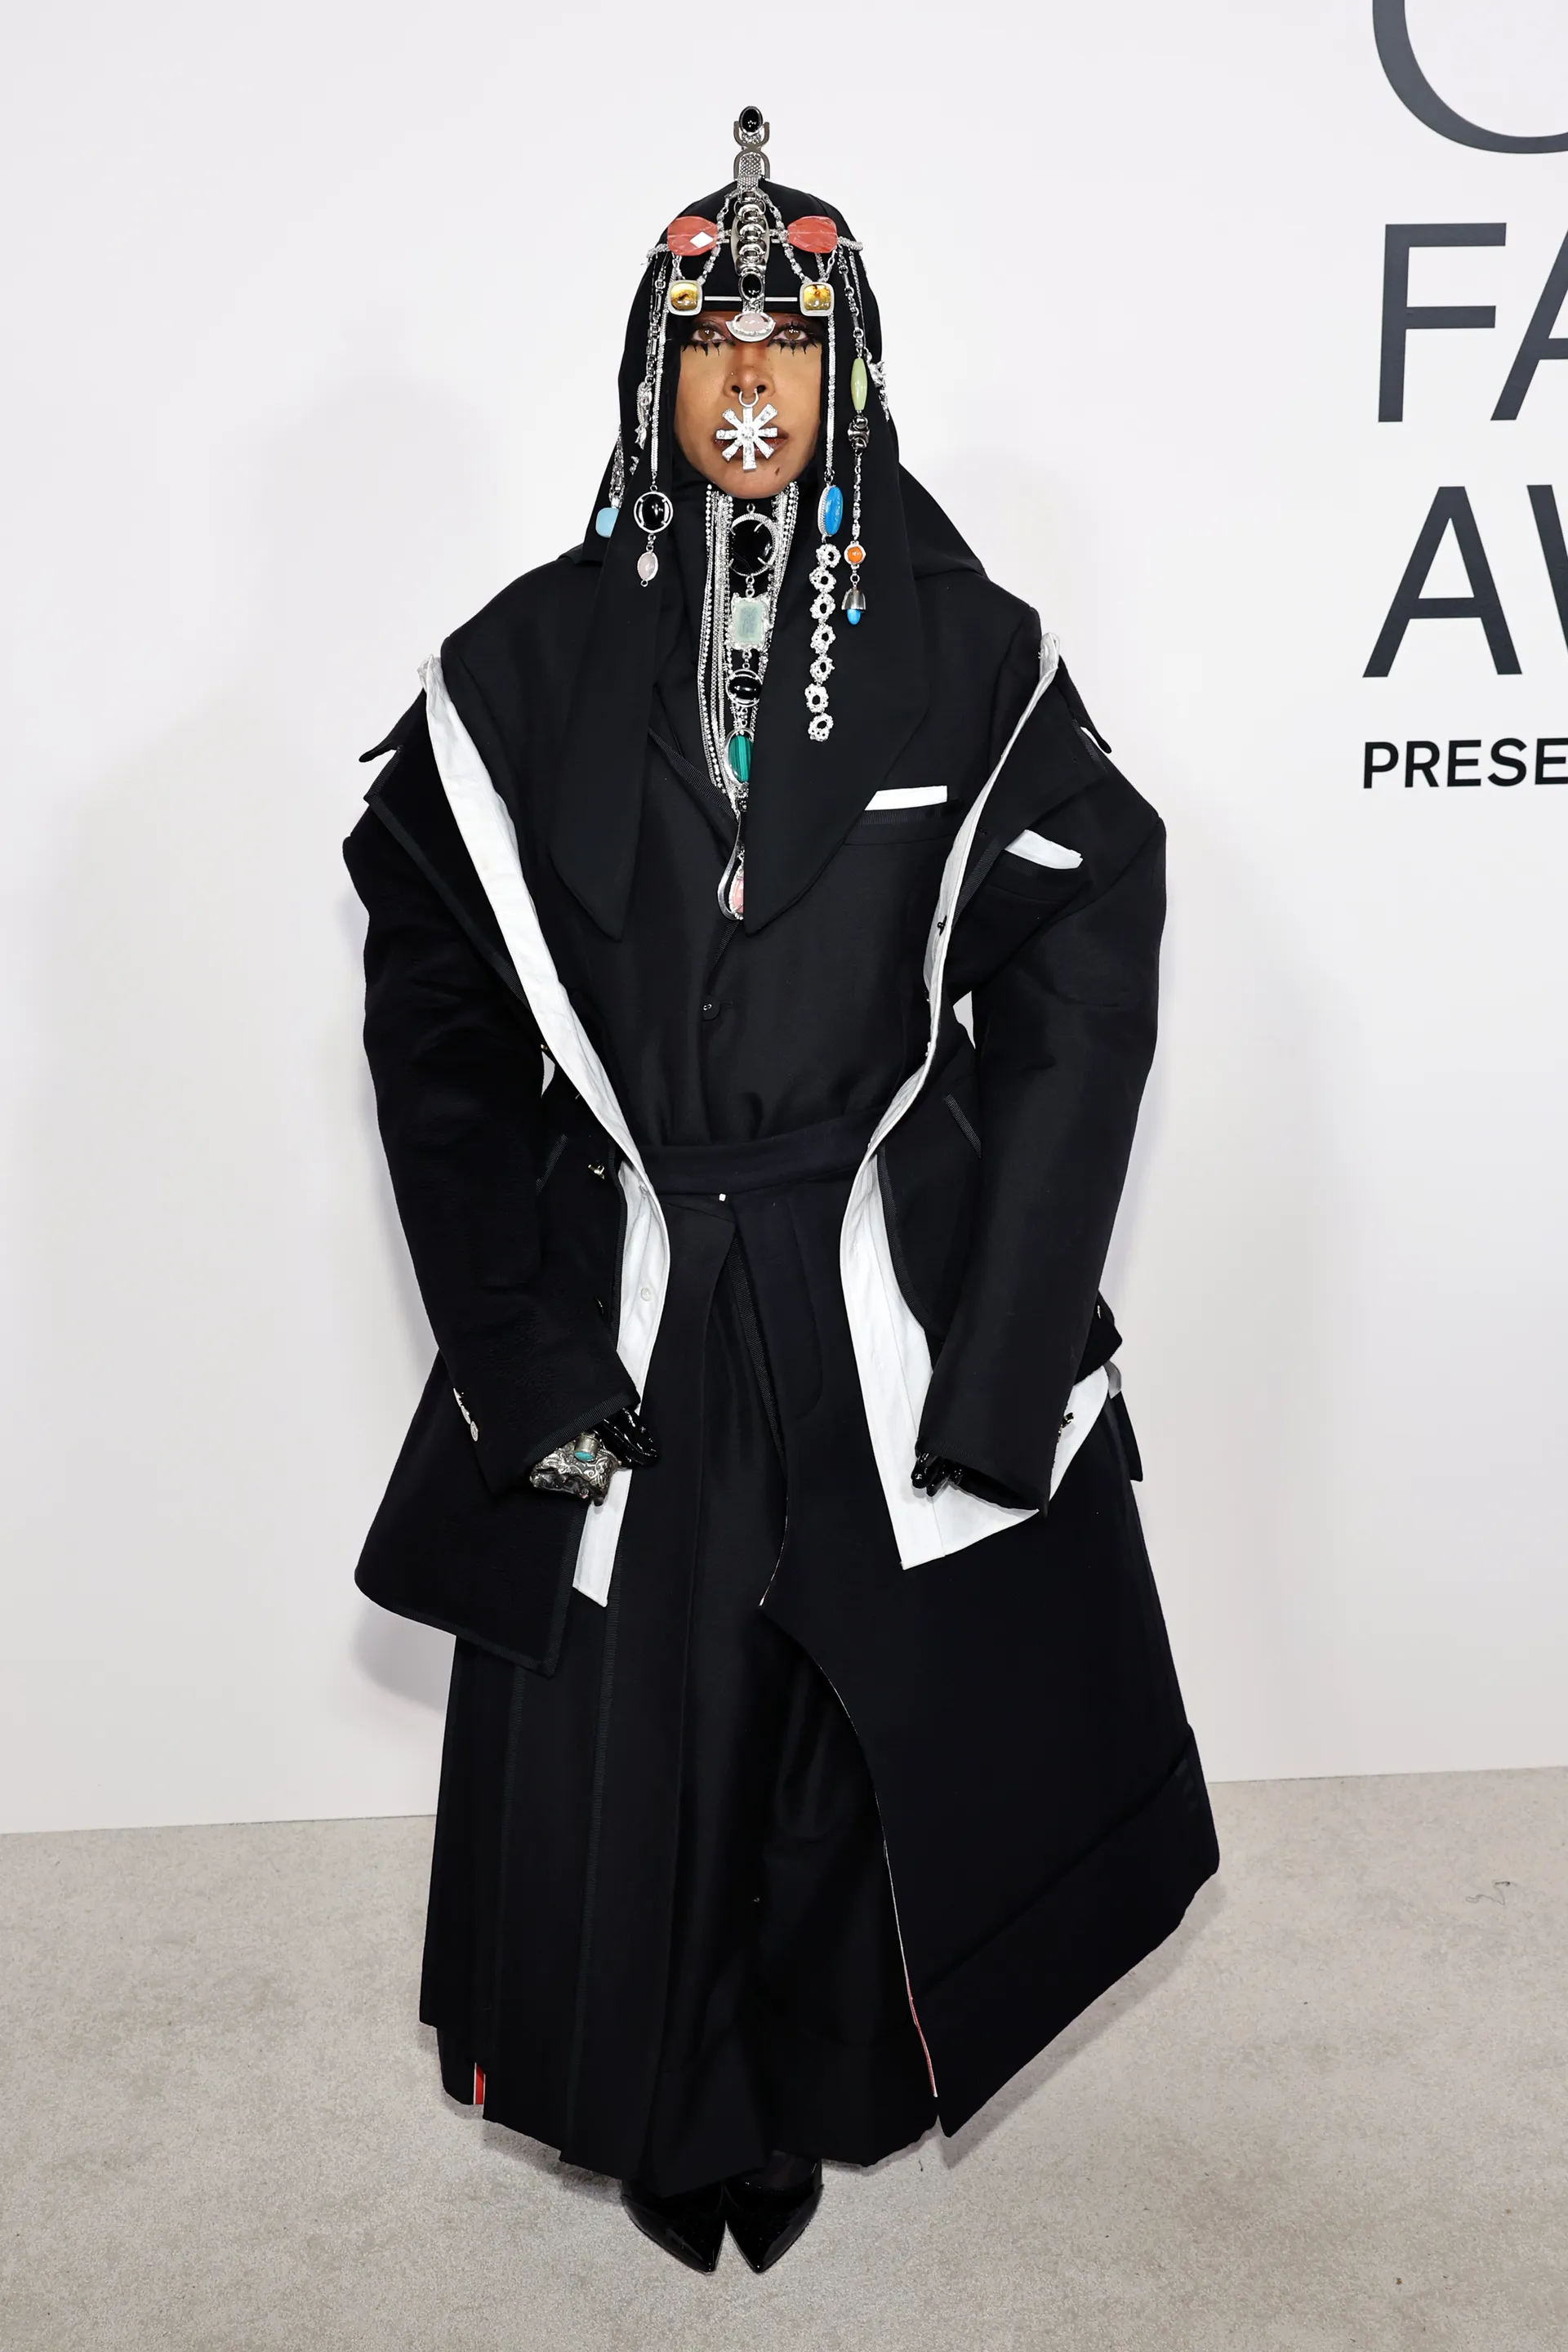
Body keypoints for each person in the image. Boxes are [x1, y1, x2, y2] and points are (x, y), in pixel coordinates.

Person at [345, 106, 1218, 2275]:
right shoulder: (523, 675)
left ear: (852, 372)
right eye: (708, 342)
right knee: (657, 1710)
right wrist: (520, 1344)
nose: (750, 383)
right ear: (654, 376)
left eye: (791, 344)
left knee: (863, 1709)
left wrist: (1009, 1330)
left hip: (862, 1264)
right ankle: (671, 2111)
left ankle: (827, 2078)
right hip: (641, 1267)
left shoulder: (969, 650)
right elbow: (439, 1047)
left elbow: (1089, 963)